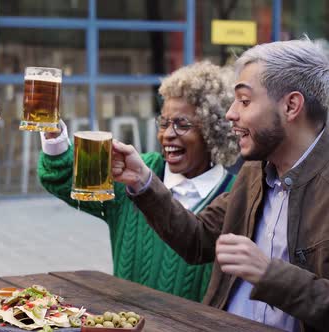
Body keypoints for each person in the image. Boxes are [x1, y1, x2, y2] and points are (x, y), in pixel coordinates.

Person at [113, 38, 329, 331]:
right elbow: (199, 240)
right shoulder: (254, 171)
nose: (230, 113)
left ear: (291, 106)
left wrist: (269, 274)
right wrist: (143, 182)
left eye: (244, 100)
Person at [38, 61, 239, 302]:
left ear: (213, 131)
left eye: (182, 124)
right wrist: (54, 136)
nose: (167, 134)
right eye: (163, 123)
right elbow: (65, 180)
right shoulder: (135, 173)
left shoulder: (235, 195)